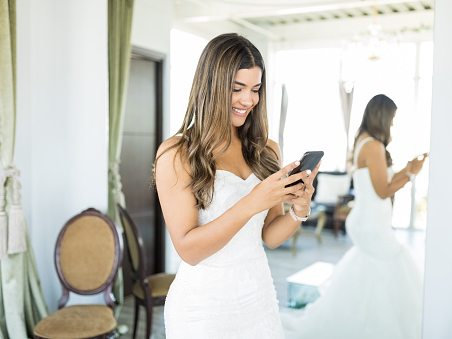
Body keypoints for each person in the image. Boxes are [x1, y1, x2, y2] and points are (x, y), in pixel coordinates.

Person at [154, 33, 320, 339]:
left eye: (255, 89)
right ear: (212, 86)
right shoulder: (177, 153)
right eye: (237, 89)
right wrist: (253, 201)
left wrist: (300, 208)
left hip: (259, 298)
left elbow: (270, 236)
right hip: (202, 309)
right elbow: (189, 251)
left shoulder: (266, 150)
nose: (249, 100)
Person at [281, 94, 427, 339]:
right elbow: (384, 190)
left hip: (368, 220)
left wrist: (408, 168)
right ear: (382, 117)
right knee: (392, 265)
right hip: (371, 223)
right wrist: (412, 174)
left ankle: (362, 322)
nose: (392, 125)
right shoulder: (373, 146)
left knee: (371, 273)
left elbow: (382, 181)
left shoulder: (365, 141)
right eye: (391, 120)